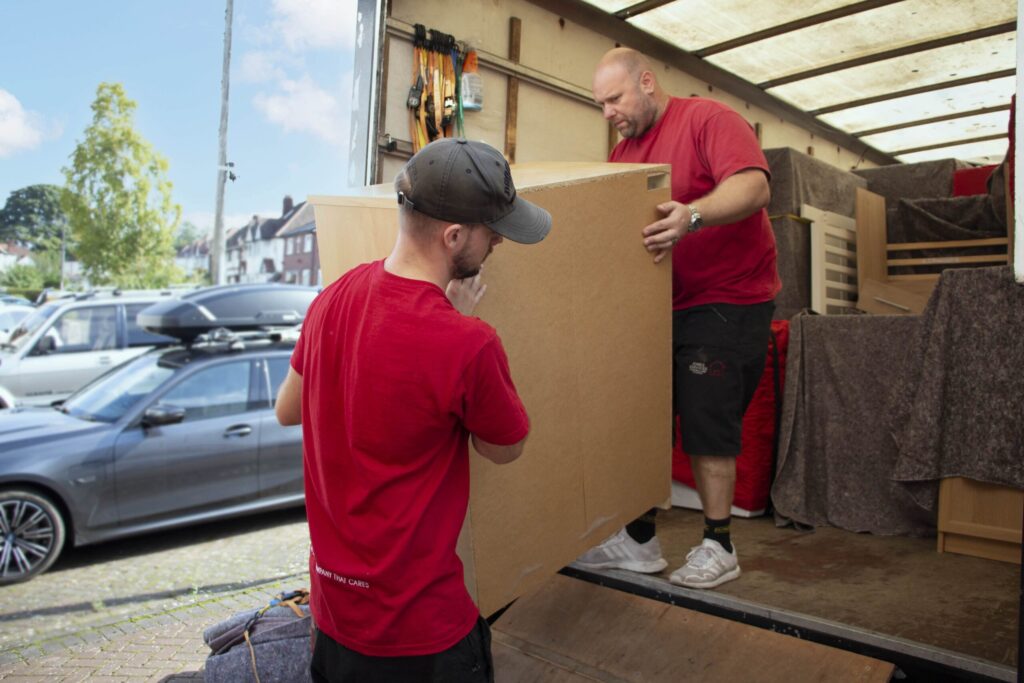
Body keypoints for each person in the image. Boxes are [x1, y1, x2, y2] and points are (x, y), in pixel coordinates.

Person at [275, 137, 551, 682]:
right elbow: (504, 448)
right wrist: (450, 324)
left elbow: (288, 409)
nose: (498, 239)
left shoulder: (333, 297)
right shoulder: (468, 343)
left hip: (332, 623)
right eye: (492, 231)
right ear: (454, 236)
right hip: (421, 640)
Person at [576, 47, 780, 589]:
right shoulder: (623, 156)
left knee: (707, 419)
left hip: (727, 298)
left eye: (614, 99)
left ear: (647, 81)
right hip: (660, 304)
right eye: (600, 104)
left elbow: (754, 186)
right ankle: (639, 539)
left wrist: (692, 215)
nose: (608, 113)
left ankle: (719, 544)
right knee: (644, 416)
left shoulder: (707, 120)